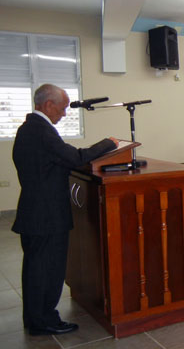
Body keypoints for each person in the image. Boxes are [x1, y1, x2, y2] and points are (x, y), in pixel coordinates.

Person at [12, 84, 118, 336]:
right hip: (46, 216)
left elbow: (57, 160)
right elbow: (76, 157)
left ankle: (36, 317)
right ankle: (45, 320)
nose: (64, 113)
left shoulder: (29, 128)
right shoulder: (40, 131)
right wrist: (109, 143)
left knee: (37, 268)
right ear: (47, 105)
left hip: (36, 212)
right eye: (61, 108)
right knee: (47, 269)